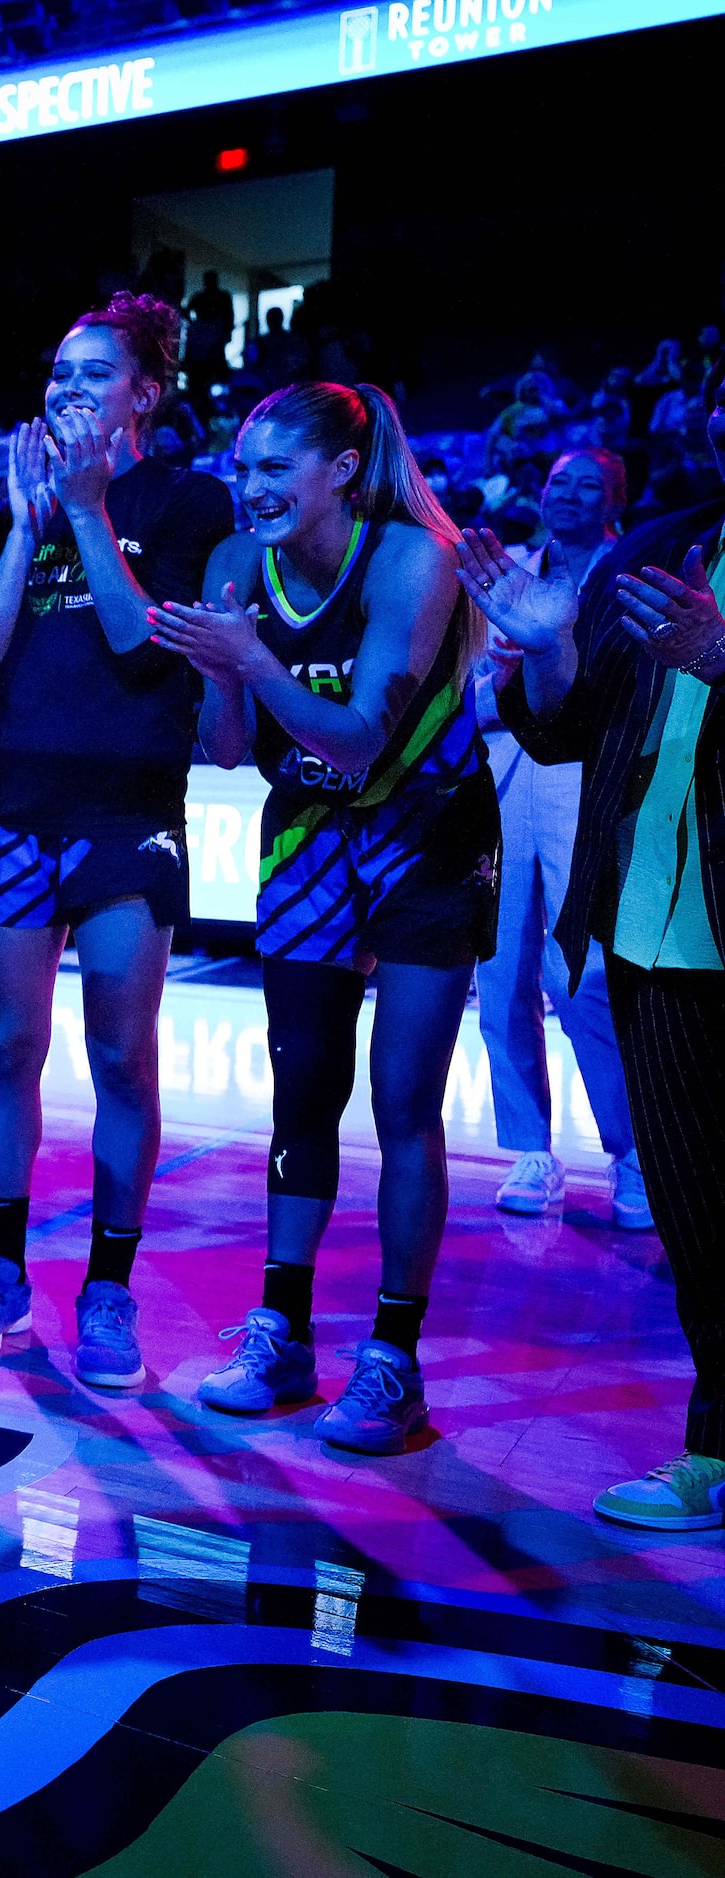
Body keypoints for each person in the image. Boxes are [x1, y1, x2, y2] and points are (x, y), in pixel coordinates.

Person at [153, 381, 495, 1456]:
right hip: (307, 838)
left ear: (340, 471)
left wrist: (250, 657)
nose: (245, 489)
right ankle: (282, 1332)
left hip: (428, 838)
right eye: (240, 467)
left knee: (402, 1101)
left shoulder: (409, 558)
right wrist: (223, 672)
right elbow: (221, 750)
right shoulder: (228, 565)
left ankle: (392, 1361)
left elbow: (357, 741)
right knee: (302, 1092)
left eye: (271, 471)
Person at [0, 294, 235, 1385]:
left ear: (145, 393)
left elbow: (134, 636)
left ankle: (107, 1286)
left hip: (126, 812)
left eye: (92, 375)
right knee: (9, 1047)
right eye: (57, 376)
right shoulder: (18, 507)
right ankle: (3, 1274)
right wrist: (22, 523)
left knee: (119, 1055)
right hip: (14, 804)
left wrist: (89, 509)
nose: (65, 393)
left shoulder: (191, 502)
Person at [467, 375, 725, 1531]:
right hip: (650, 930)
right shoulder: (668, 544)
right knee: (696, 1217)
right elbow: (567, 725)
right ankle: (715, 1454)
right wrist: (548, 646)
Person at [472, 448, 649, 1228]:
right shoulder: (505, 569)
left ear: (616, 500)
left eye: (588, 486)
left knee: (582, 978)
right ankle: (530, 1153)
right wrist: (503, 675)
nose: (568, 494)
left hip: (590, 775)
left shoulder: (636, 569)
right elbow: (465, 687)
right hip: (504, 774)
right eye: (557, 482)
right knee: (500, 969)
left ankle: (633, 1152)